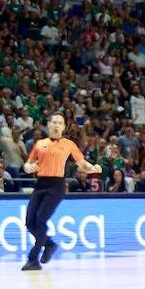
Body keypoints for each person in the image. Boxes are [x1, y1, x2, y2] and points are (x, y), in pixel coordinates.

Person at [21, 114, 101, 271]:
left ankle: (33, 258)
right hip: (40, 184)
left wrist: (93, 168)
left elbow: (82, 163)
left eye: (60, 123)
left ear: (64, 127)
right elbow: (28, 163)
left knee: (40, 220)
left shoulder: (69, 144)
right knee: (30, 223)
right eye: (54, 122)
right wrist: (27, 167)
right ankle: (49, 244)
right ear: (49, 124)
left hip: (56, 186)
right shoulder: (40, 144)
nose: (57, 125)